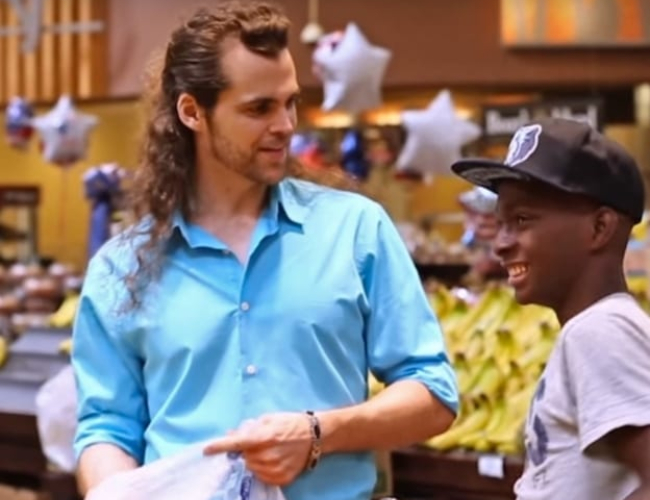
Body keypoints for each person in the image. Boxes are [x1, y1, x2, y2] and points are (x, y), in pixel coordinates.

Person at [71, 2, 458, 499]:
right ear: (192, 112)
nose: (285, 125)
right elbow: (107, 426)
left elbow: (433, 394)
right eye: (259, 108)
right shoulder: (121, 267)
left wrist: (318, 432)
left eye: (290, 102)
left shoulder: (355, 229)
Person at [451, 118, 650, 500]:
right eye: (501, 223)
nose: (502, 244)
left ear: (599, 229)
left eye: (522, 219)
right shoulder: (594, 329)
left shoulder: (601, 331)